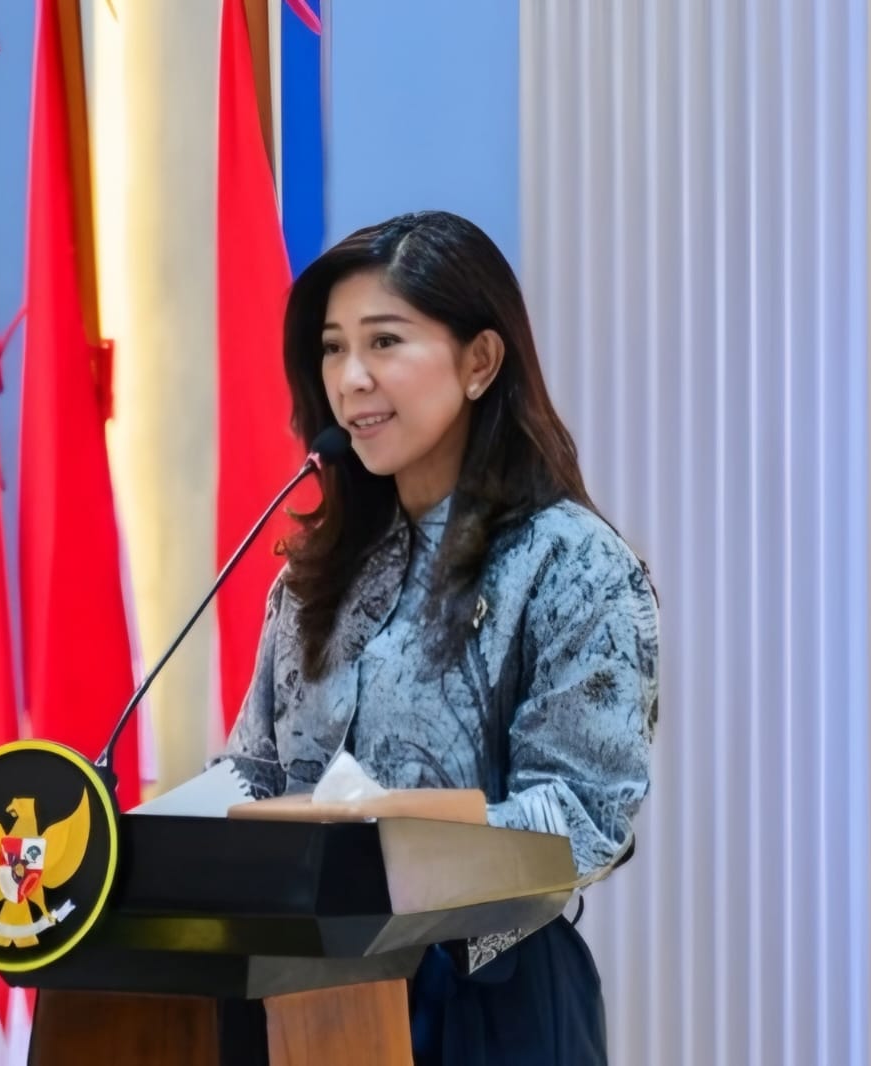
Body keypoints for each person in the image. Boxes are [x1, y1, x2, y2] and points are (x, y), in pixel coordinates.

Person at [218, 210, 659, 1066]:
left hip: (485, 997)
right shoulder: (314, 573)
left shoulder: (572, 563)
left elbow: (583, 819)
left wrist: (385, 830)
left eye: (384, 342)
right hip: (298, 995)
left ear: (480, 361)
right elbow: (254, 775)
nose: (351, 379)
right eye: (333, 349)